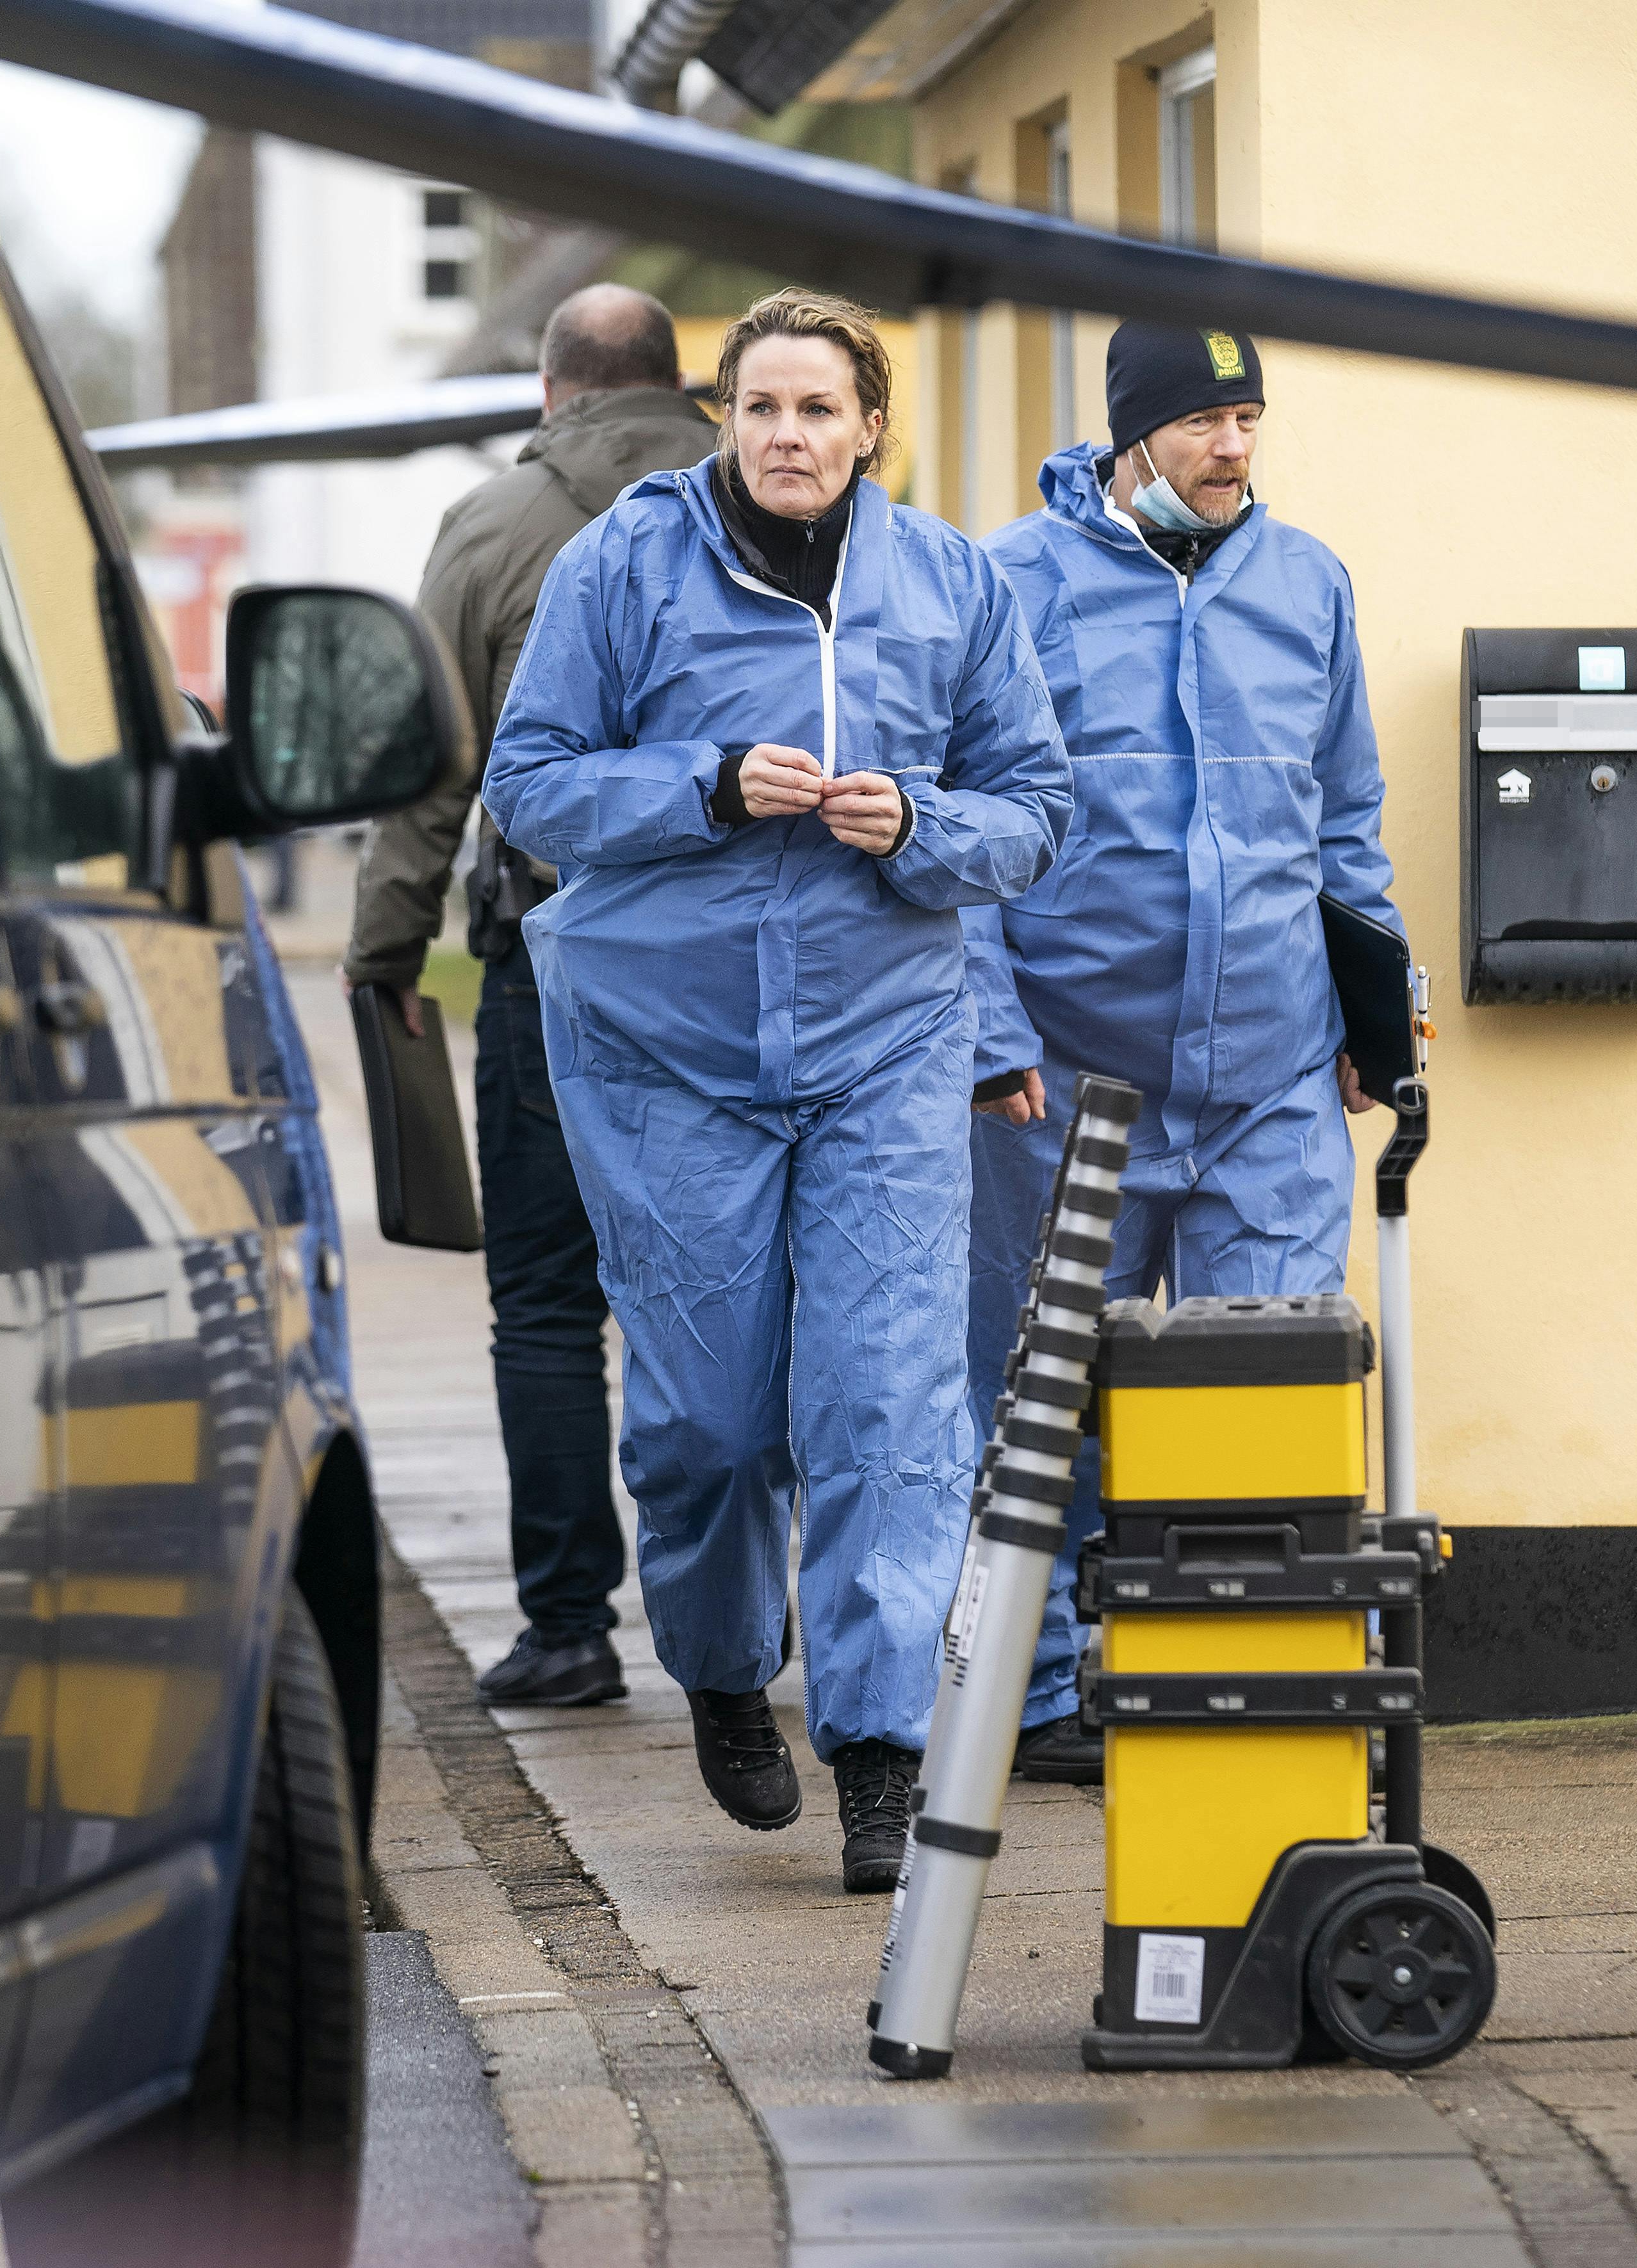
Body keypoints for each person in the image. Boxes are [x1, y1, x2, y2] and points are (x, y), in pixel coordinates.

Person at [482, 288, 1070, 1893]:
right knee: (713, 1421)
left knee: (887, 1402)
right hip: (667, 1048)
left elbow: (1034, 808)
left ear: (871, 427)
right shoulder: (625, 564)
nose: (788, 436)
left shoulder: (949, 581)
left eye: (819, 409)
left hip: (885, 1041)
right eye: (760, 407)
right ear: (722, 418)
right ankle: (727, 1667)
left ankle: (880, 1748)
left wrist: (924, 827)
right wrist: (710, 786)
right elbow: (528, 786)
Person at [965, 320, 1401, 1785]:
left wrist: (1374, 1017)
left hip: (1268, 1079)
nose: (1232, 447)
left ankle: (1246, 1679)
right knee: (1046, 1395)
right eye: (1206, 420)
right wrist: (991, 1033)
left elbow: (1346, 822)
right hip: (1065, 1087)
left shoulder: (1308, 582)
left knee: (1262, 1386)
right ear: (1132, 433)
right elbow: (962, 841)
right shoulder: (1011, 584)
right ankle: (1039, 1696)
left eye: (1250, 419)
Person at [343, 284, 721, 1711]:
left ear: (553, 391)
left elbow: (426, 764)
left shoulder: (495, 526)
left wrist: (386, 951)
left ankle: (569, 1627)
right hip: (748, 970)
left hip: (557, 963)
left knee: (550, 1303)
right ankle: (762, 1618)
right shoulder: (771, 501)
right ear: (680, 383)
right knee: (753, 1288)